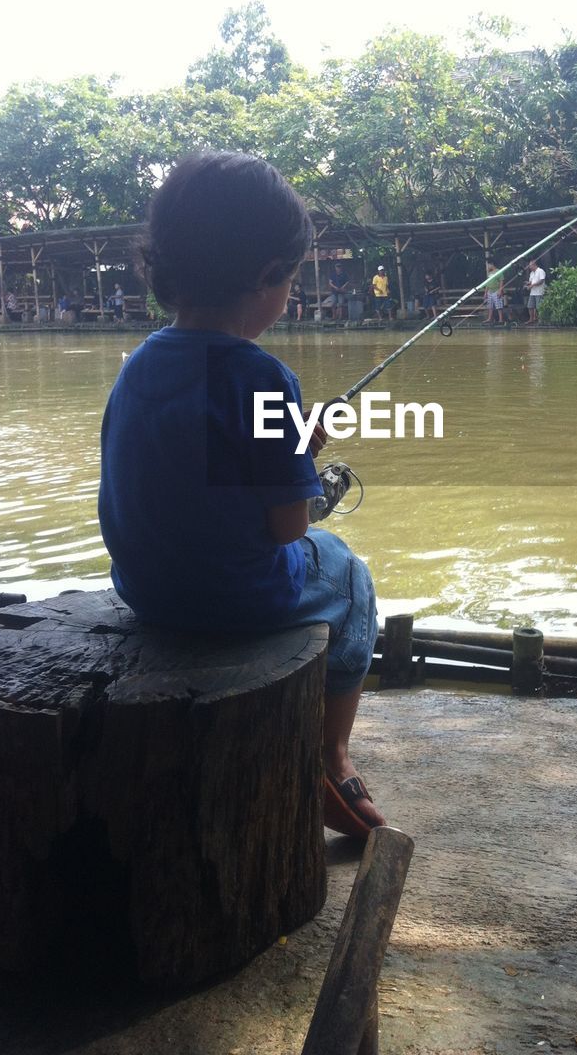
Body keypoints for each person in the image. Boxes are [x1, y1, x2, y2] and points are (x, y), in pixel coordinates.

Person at [98, 150, 385, 837]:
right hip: (233, 597)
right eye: (291, 280)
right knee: (348, 574)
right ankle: (330, 752)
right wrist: (299, 467)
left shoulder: (138, 365)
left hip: (147, 586)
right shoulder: (262, 375)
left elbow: (175, 475)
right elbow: (288, 526)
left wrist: (289, 444)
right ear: (267, 277)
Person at [483, 258, 505, 325]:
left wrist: (500, 290)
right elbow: (487, 283)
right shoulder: (489, 273)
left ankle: (501, 319)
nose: (488, 266)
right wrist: (485, 292)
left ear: (491, 264)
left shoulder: (498, 271)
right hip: (490, 291)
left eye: (488, 265)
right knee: (490, 306)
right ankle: (489, 318)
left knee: (499, 306)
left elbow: (501, 281)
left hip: (496, 290)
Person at [524, 259, 546, 325]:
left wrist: (532, 285)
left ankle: (540, 320)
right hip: (532, 293)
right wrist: (528, 283)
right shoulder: (532, 273)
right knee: (530, 306)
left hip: (539, 292)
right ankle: (531, 319)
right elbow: (531, 281)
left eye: (530, 265)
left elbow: (541, 281)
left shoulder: (540, 271)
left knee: (539, 307)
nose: (529, 267)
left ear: (534, 264)